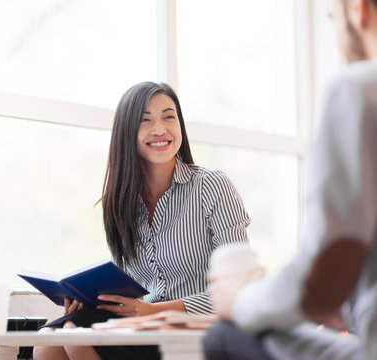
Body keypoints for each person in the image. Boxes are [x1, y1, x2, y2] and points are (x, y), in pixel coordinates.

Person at [205, 0, 377, 359]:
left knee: (225, 333)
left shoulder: (358, 89)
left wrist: (241, 299)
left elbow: (324, 275)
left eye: (332, 18)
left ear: (358, 10)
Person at [33, 81, 251, 360]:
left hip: (197, 331)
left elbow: (239, 290)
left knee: (75, 338)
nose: (159, 129)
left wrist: (154, 310)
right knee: (47, 341)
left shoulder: (213, 187)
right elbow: (130, 290)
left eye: (168, 117)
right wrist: (86, 298)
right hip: (140, 327)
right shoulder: (119, 203)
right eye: (145, 120)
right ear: (127, 132)